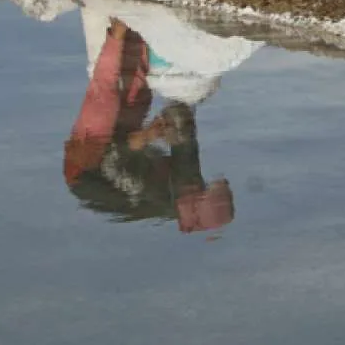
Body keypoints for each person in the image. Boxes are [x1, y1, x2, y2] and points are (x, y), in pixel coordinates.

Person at [63, 18, 235, 234]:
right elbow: (184, 134)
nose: (200, 183)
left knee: (108, 97)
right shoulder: (188, 187)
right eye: (204, 186)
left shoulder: (149, 193)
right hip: (128, 159)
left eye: (204, 189)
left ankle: (117, 34)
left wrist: (146, 136)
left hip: (86, 169)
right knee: (143, 98)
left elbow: (111, 160)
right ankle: (138, 30)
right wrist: (182, 104)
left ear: (197, 201)